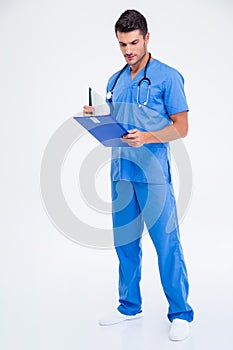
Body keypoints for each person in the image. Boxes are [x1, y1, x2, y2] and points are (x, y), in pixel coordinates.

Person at [83, 9, 194, 342]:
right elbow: (118, 126)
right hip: (121, 173)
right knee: (125, 245)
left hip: (154, 175)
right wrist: (97, 118)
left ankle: (180, 313)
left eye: (133, 42)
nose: (128, 50)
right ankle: (129, 306)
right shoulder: (114, 81)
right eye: (122, 44)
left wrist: (148, 137)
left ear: (146, 38)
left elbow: (182, 128)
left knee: (166, 244)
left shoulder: (168, 77)